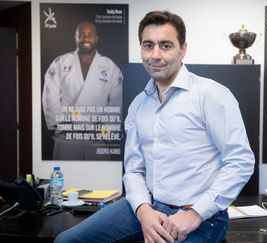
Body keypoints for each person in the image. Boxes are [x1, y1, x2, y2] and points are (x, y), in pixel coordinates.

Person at [54, 11, 254, 243]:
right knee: (65, 241)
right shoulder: (138, 105)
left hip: (201, 216)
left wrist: (195, 213)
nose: (155, 55)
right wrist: (143, 211)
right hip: (151, 207)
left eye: (165, 45)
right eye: (148, 45)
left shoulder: (212, 95)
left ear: (183, 49)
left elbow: (240, 161)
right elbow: (134, 170)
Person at [42, 21, 123, 160]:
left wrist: (106, 128)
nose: (86, 39)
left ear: (97, 38)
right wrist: (59, 122)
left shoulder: (110, 66)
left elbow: (118, 99)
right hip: (67, 136)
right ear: (75, 37)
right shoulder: (61, 62)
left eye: (90, 35)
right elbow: (50, 94)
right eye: (82, 35)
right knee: (66, 179)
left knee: (99, 180)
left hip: (97, 137)